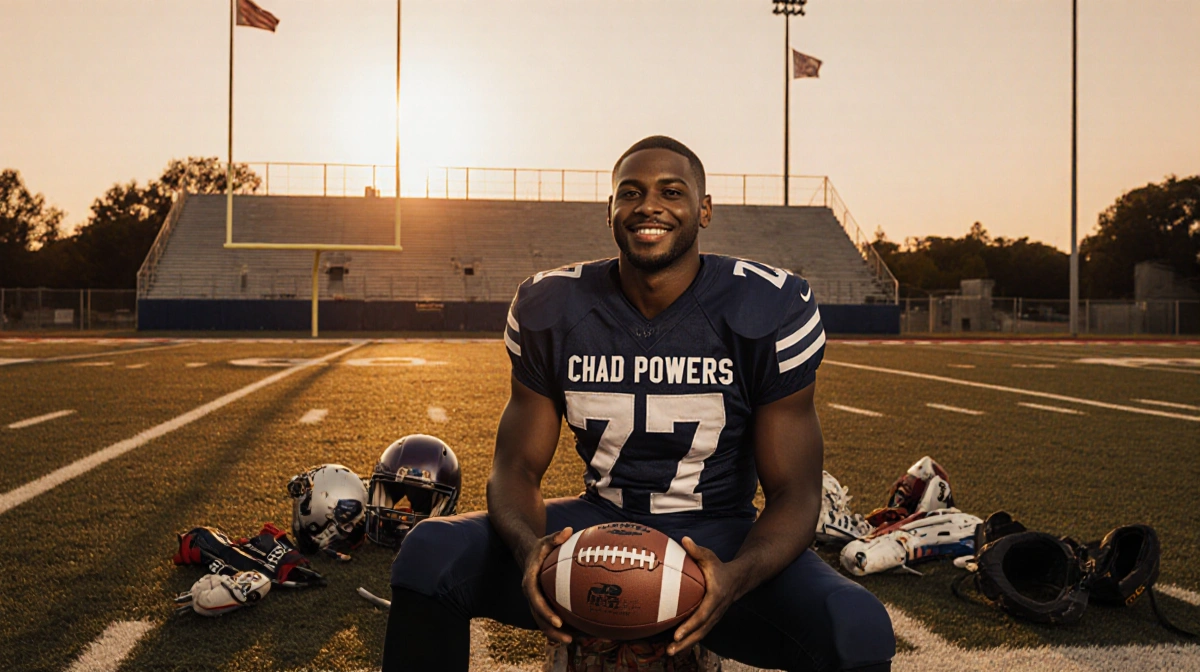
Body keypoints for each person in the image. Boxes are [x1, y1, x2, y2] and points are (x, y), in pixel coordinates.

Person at [382, 136, 895, 671]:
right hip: (596, 527)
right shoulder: (553, 305)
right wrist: (530, 549)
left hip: (719, 539)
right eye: (630, 192)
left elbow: (795, 494)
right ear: (611, 212)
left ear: (704, 209)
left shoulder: (766, 306)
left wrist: (733, 578)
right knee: (430, 552)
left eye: (671, 191)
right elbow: (516, 467)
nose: (648, 205)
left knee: (855, 626)